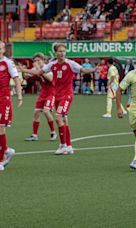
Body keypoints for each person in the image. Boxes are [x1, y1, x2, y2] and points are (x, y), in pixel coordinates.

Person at [19, 43, 97, 155]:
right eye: (60, 51)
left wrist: (94, 69)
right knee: (64, 119)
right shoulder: (52, 64)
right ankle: (69, 146)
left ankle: (63, 145)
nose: (62, 53)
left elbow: (83, 71)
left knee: (58, 117)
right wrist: (24, 70)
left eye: (63, 51)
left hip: (67, 95)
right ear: (56, 53)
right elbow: (38, 72)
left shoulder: (70, 64)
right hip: (57, 95)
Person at [22, 53, 57, 142]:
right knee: (36, 113)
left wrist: (38, 70)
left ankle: (53, 132)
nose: (36, 62)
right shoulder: (35, 68)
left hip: (51, 93)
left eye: (38, 60)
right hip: (43, 93)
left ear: (43, 60)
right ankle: (34, 135)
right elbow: (26, 77)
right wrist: (23, 70)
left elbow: (50, 79)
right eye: (35, 61)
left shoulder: (48, 67)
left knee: (46, 111)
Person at [0, 41, 23, 171]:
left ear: (3, 50)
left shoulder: (8, 62)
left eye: (0, 48)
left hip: (4, 98)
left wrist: (19, 96)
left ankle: (1, 160)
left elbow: (16, 79)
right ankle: (6, 150)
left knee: (1, 127)